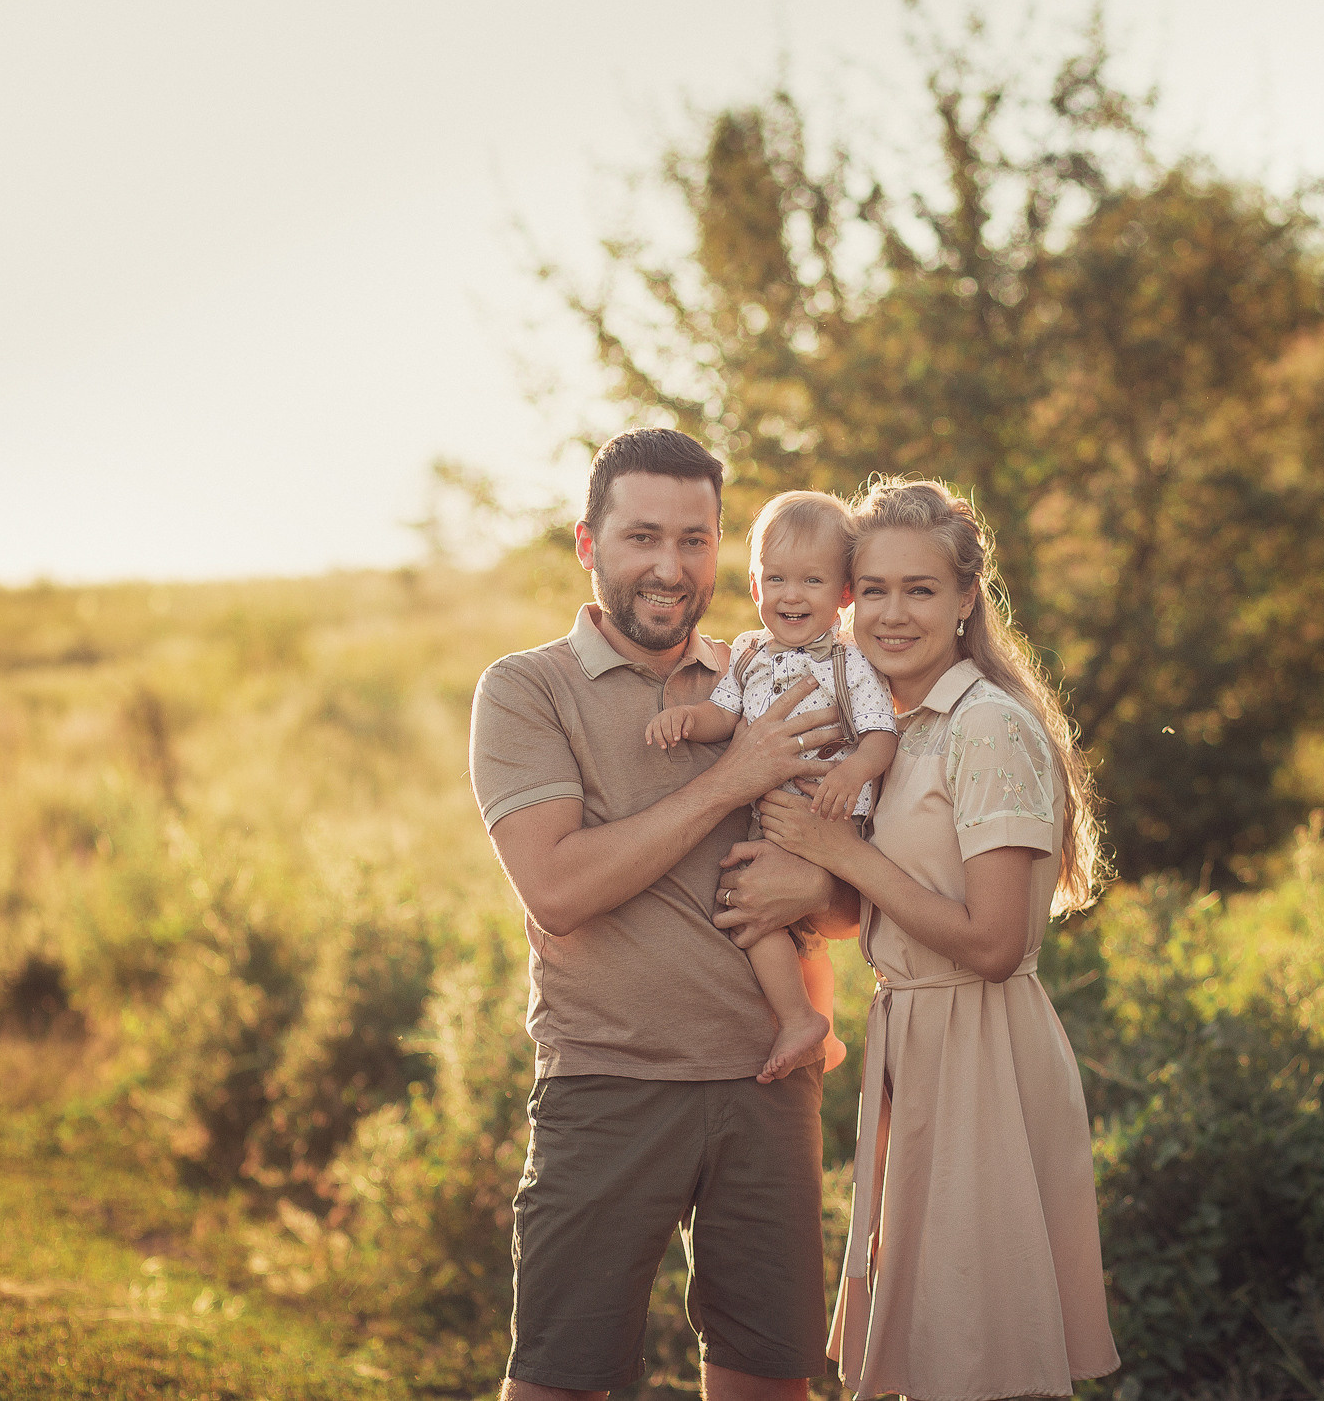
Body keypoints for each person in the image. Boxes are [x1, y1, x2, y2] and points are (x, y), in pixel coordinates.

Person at [468, 428, 857, 1401]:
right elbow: (555, 889)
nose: (670, 567)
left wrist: (817, 887)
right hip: (608, 1082)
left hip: (769, 1084)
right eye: (643, 537)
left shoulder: (765, 678)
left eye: (695, 540)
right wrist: (733, 775)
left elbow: (849, 900)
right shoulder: (527, 690)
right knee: (561, 1384)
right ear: (587, 544)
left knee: (770, 1384)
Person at [755, 477, 1122, 1401]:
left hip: (984, 1046)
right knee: (927, 1349)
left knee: (979, 1351)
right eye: (872, 588)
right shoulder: (898, 730)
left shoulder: (987, 727)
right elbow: (880, 909)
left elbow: (995, 942)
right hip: (910, 1041)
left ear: (966, 601)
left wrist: (841, 850)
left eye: (919, 589)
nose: (891, 612)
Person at [647, 489, 899, 1082]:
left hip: (829, 807)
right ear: (756, 588)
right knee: (773, 909)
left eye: (811, 581)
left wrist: (850, 773)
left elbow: (880, 736)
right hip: (776, 812)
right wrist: (687, 720)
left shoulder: (850, 662)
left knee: (748, 901)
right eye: (777, 579)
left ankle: (800, 1020)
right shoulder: (748, 653)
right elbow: (725, 716)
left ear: (842, 594)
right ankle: (816, 1024)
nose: (792, 595)